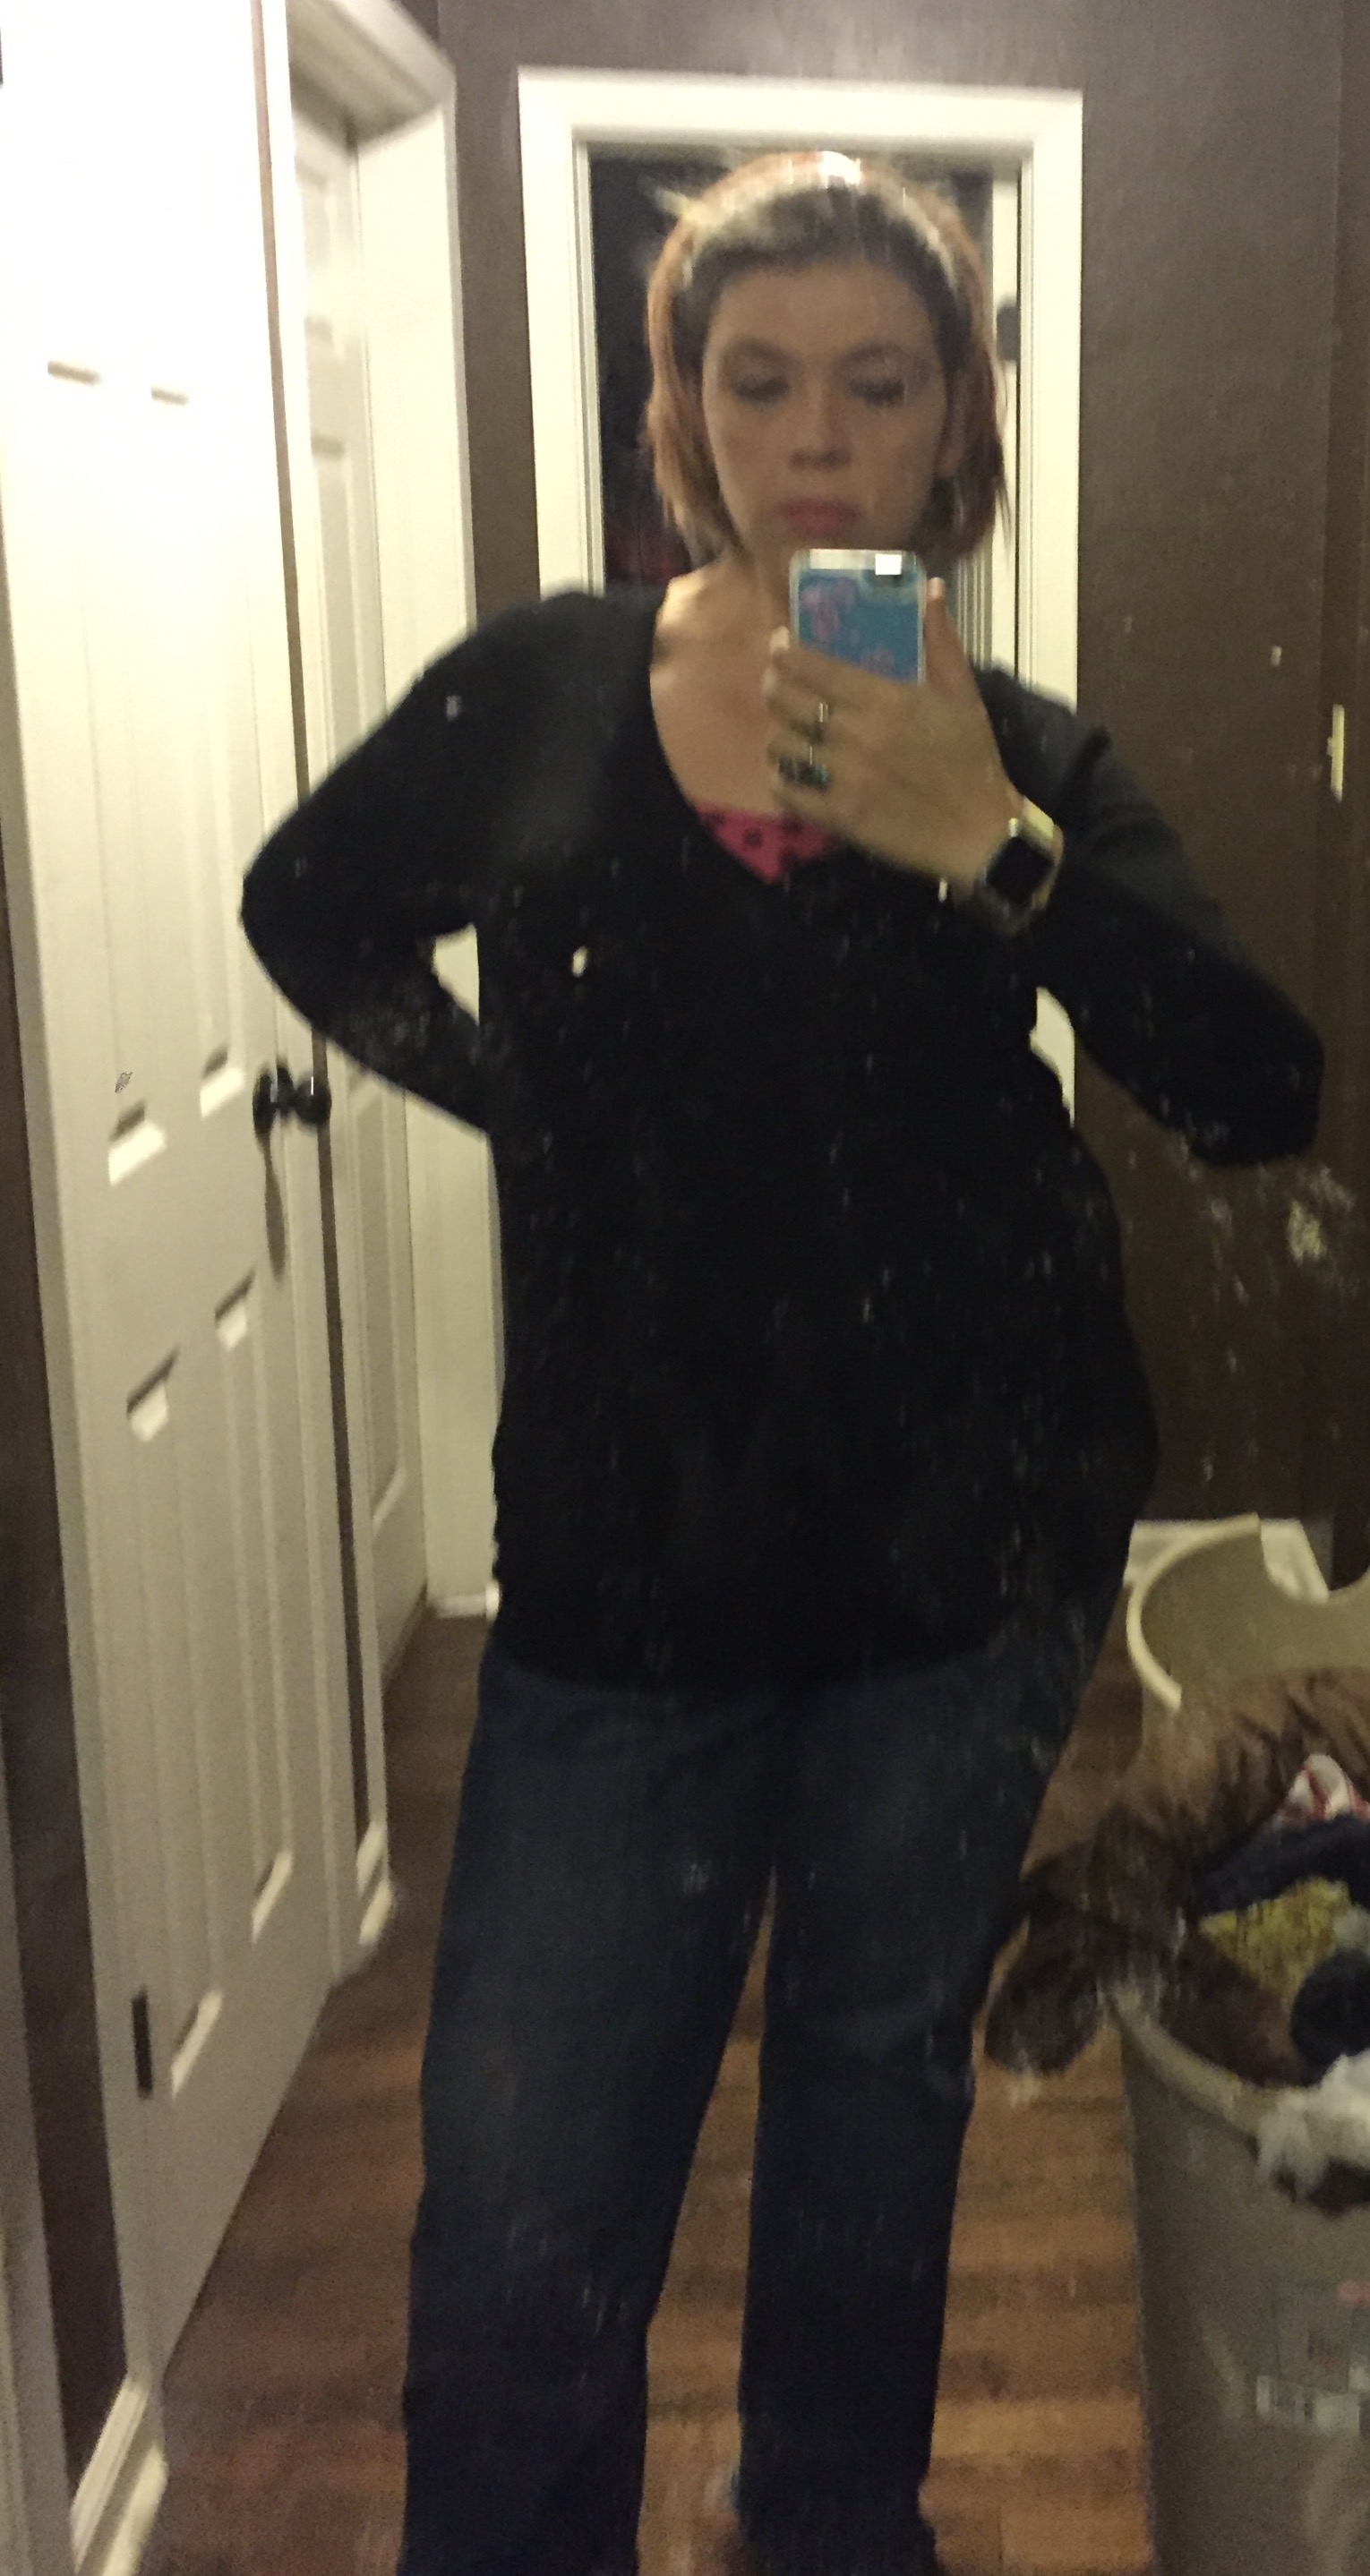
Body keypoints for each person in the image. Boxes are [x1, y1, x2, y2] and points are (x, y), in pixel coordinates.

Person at [241, 152, 1323, 2576]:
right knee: (525, 2199)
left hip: (968, 1565)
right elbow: (307, 906)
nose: (816, 440)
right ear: (684, 414)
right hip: (627, 1573)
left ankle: (832, 2523)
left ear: (958, 425)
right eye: (759, 383)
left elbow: (1257, 1085)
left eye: (878, 384)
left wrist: (989, 843)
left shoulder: (1020, 746)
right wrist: (520, 1104)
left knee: (868, 2094)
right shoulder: (541, 690)